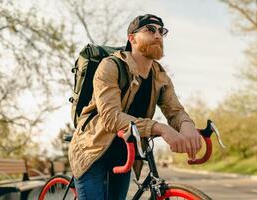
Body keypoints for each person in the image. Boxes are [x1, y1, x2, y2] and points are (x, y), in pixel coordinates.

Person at [68, 14, 202, 200]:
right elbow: (111, 117)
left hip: (124, 154)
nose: (158, 35)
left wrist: (187, 126)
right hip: (91, 151)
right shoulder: (110, 66)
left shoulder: (160, 76)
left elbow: (175, 111)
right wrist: (160, 128)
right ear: (132, 38)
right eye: (150, 30)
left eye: (161, 31)